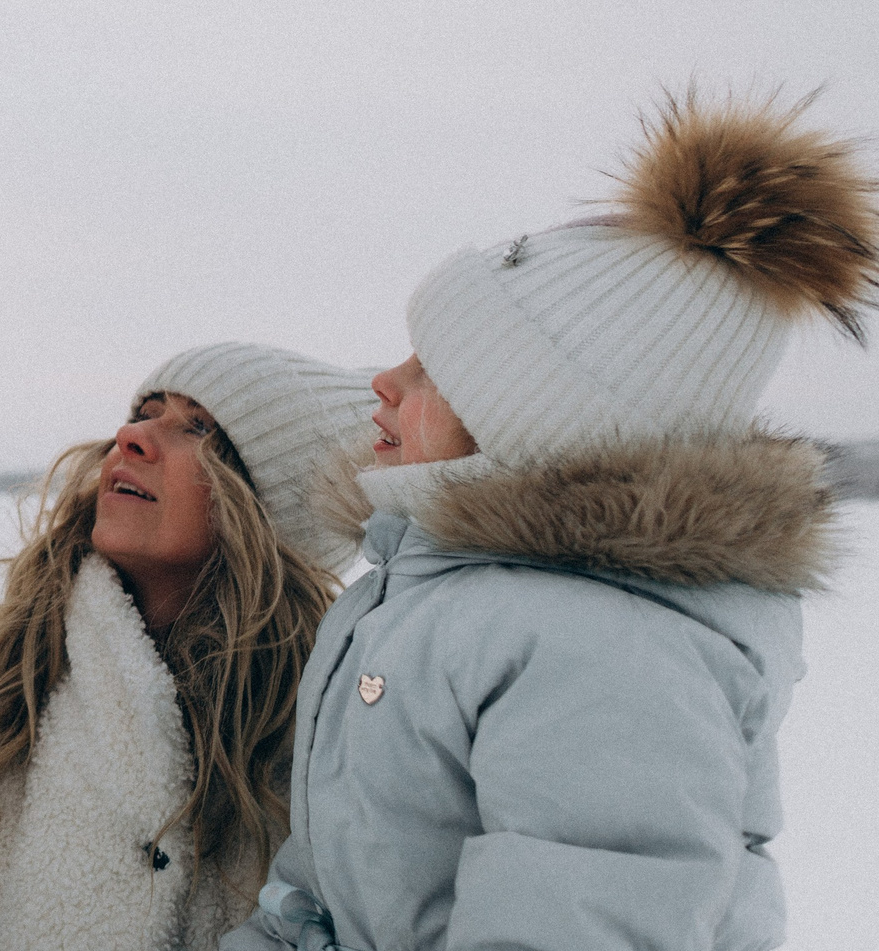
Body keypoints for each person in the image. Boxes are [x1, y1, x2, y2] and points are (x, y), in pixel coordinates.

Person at [228, 92, 873, 951]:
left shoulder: (603, 642)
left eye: (433, 368)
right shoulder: (428, 590)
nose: (384, 380)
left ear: (534, 415)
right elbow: (325, 890)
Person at [0, 343, 377, 950]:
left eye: (197, 428)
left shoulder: (326, 741)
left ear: (269, 512)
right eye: (145, 411)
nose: (130, 436)